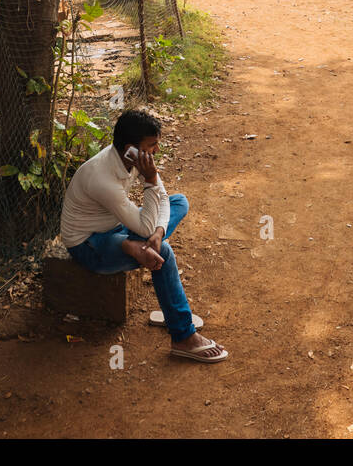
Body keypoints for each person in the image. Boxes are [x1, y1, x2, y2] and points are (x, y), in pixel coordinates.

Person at [61, 110, 228, 363]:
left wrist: (158, 232)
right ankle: (183, 336)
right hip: (89, 244)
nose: (157, 150)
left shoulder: (128, 158)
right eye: (152, 145)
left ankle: (134, 246)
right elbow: (146, 220)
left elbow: (160, 200)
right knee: (163, 252)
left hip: (117, 226)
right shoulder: (101, 177)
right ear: (131, 149)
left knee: (179, 202)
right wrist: (150, 180)